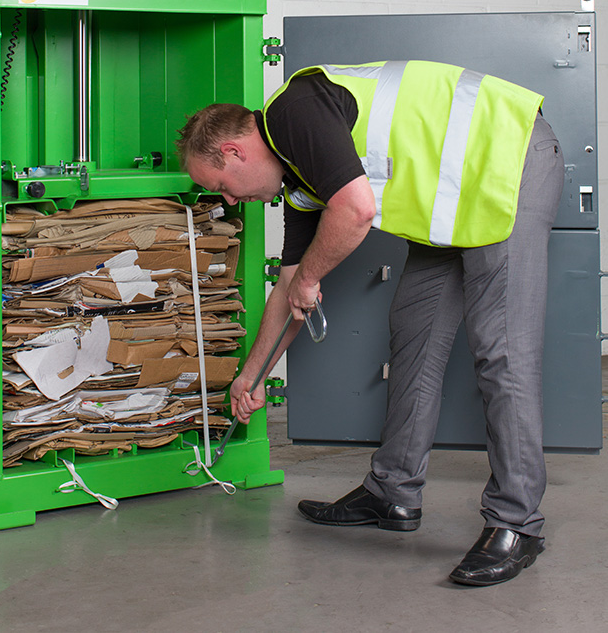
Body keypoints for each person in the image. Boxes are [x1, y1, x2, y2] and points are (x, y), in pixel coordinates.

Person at [176, 60, 564, 587]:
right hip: (454, 199)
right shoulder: (298, 180)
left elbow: (356, 211)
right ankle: (393, 492)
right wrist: (254, 374)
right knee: (414, 339)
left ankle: (518, 523)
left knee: (502, 353)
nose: (227, 200)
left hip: (507, 159)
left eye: (220, 184)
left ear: (234, 152)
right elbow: (292, 287)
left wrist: (312, 277)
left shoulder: (296, 111)